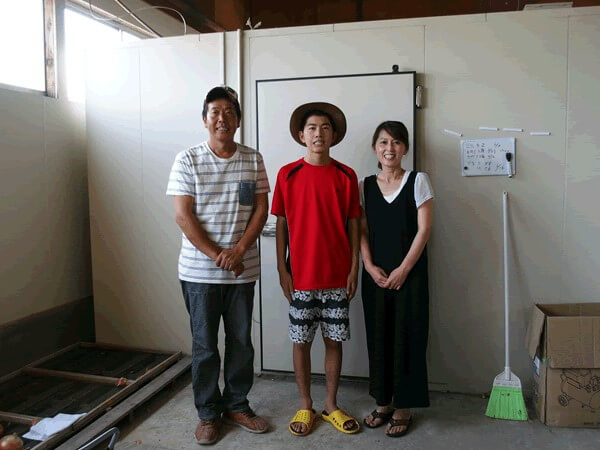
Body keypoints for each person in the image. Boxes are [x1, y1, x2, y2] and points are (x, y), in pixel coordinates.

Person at [166, 86, 270, 445]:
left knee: (241, 342)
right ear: (204, 119)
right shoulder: (188, 159)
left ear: (238, 120)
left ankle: (237, 405)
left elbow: (261, 209)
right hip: (199, 273)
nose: (222, 118)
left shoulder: (253, 159)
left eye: (229, 112)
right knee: (205, 346)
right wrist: (219, 256)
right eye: (215, 112)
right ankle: (208, 413)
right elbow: (183, 216)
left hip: (242, 271)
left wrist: (238, 251)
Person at [271, 102, 361, 437]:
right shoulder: (287, 174)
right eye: (311, 128)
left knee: (334, 341)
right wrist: (282, 269)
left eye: (325, 127)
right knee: (301, 342)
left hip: (337, 276)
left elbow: (354, 223)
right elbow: (281, 224)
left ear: (333, 135)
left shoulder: (346, 175)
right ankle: (305, 404)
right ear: (301, 135)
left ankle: (331, 405)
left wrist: (354, 267)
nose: (318, 133)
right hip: (301, 278)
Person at [360, 121, 434, 438]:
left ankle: (404, 406)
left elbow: (424, 230)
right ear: (375, 148)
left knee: (408, 336)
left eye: (396, 142)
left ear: (404, 148)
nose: (389, 148)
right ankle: (383, 402)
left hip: (410, 274)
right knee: (378, 336)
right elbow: (361, 231)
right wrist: (368, 265)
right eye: (383, 142)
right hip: (375, 275)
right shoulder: (364, 185)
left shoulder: (418, 181)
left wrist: (403, 269)